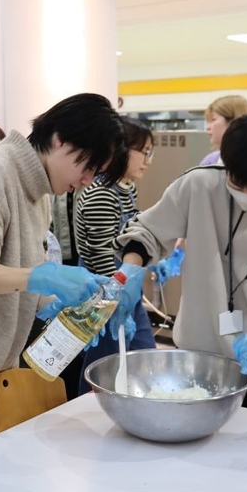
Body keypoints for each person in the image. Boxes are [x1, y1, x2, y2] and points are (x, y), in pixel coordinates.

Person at [0, 93, 127, 443]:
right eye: (89, 167)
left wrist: (65, 307)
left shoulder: (38, 192)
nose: (87, 180)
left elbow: (16, 277)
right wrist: (43, 277)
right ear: (60, 140)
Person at [114, 114, 247, 411]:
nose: (246, 195)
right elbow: (147, 231)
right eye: (237, 184)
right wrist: (129, 272)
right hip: (194, 356)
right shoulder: (198, 185)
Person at [73, 117, 161, 395]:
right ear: (119, 150)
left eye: (150, 152)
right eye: (143, 152)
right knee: (103, 376)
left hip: (125, 293)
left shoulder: (127, 188)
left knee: (144, 362)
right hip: (104, 297)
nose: (148, 160)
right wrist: (117, 298)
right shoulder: (101, 194)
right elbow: (102, 258)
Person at [200, 94, 247, 166]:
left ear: (233, 122)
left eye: (213, 119)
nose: (208, 127)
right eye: (208, 121)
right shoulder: (209, 161)